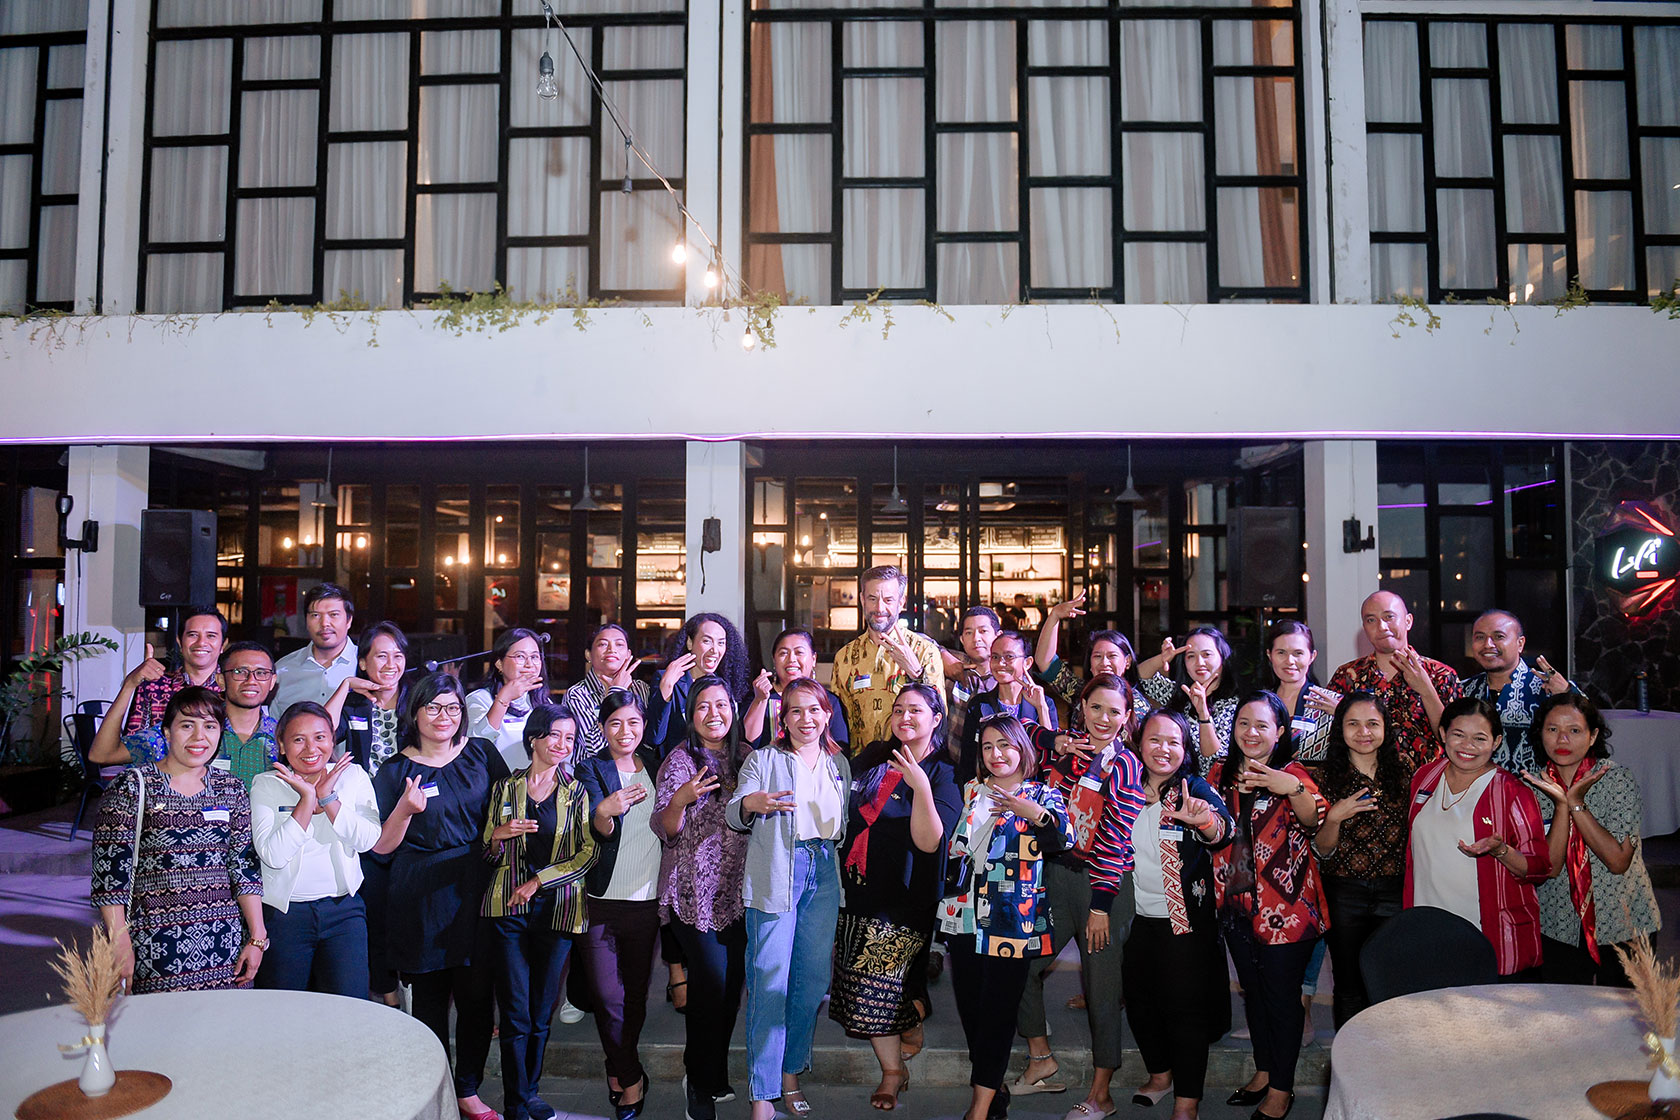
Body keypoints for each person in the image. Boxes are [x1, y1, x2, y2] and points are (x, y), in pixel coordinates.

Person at [372, 672, 510, 1120]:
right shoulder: (394, 770)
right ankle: (437, 1086)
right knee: (428, 1001)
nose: (443, 716)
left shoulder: (482, 755)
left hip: (476, 885)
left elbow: (508, 808)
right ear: (414, 713)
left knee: (475, 998)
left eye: (452, 707)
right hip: (420, 892)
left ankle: (467, 1088)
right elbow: (380, 846)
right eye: (432, 707)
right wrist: (405, 811)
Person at [1014, 673, 1143, 1115]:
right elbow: (1017, 731)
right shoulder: (1065, 747)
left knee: (1102, 989)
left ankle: (1101, 1093)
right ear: (1081, 706)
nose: (1103, 719)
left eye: (1114, 711)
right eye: (1095, 708)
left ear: (1127, 718)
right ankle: (1041, 1061)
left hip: (1101, 885)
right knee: (1022, 966)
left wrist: (1102, 907)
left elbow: (1115, 839)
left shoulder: (1125, 764)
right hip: (1054, 877)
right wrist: (1058, 739)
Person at [829, 683, 961, 1111]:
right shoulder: (872, 756)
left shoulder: (945, 770)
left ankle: (891, 1071)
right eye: (899, 709)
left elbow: (929, 843)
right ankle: (909, 1023)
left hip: (906, 897)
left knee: (879, 987)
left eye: (916, 710)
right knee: (861, 985)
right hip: (858, 885)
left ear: (936, 718)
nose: (905, 717)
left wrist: (920, 786)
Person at [727, 677, 852, 1120]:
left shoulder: (839, 763)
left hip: (823, 872)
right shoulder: (763, 758)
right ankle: (762, 1094)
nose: (806, 719)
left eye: (814, 710)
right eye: (796, 711)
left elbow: (844, 825)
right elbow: (735, 811)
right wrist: (750, 805)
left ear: (827, 715)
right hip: (778, 873)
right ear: (783, 717)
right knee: (769, 981)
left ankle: (790, 1074)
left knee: (811, 983)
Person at [938, 715, 1073, 1120]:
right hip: (962, 917)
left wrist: (1033, 814)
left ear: (1023, 750)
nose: (997, 755)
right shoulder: (971, 791)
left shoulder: (1043, 795)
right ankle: (993, 1092)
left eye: (1006, 746)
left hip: (1010, 921)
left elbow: (1065, 840)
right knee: (972, 1012)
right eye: (988, 747)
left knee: (997, 1013)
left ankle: (978, 1110)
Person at [91, 686, 265, 993]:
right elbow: (110, 876)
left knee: (226, 1034)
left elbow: (244, 867)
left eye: (210, 726)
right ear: (167, 733)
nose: (200, 737)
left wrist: (256, 937)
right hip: (155, 948)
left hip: (224, 947)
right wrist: (119, 941)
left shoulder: (231, 788)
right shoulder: (133, 786)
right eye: (187, 725)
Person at [1209, 691, 1329, 1120]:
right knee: (1253, 993)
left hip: (1287, 913)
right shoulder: (1220, 772)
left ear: (1280, 732)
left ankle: (1282, 1088)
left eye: (1262, 725)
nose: (1252, 732)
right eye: (1244, 723)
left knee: (1281, 999)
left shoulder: (1295, 774)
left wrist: (1290, 787)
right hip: (1235, 907)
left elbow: (1314, 819)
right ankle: (1264, 1070)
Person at [481, 704, 598, 1120]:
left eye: (569, 738)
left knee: (540, 1009)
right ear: (534, 738)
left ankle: (530, 1092)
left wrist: (539, 881)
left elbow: (587, 852)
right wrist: (498, 836)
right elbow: (488, 852)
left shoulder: (577, 791)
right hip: (509, 908)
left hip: (557, 908)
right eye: (554, 735)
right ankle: (515, 1103)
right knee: (515, 1011)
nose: (562, 744)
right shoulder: (505, 788)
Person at [1120, 709, 1235, 1120]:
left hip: (1182, 918)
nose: (1163, 749)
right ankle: (1160, 1075)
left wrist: (1203, 820)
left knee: (1185, 1010)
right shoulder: (1123, 785)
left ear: (1184, 748)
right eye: (1154, 739)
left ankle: (1188, 1101)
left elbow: (1225, 829)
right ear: (1139, 742)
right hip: (1133, 916)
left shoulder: (1192, 787)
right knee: (1139, 1001)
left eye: (1173, 741)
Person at [654, 676, 750, 1120]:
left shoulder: (746, 758)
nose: (714, 714)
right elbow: (665, 827)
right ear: (691, 716)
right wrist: (682, 798)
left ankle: (712, 1072)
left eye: (721, 705)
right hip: (692, 894)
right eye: (703, 707)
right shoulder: (681, 759)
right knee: (710, 987)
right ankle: (697, 1079)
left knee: (730, 991)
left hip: (739, 893)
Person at [1404, 697, 1550, 979]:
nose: (1467, 746)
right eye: (1458, 735)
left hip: (1489, 935)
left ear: (1496, 742)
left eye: (1480, 738)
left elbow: (1540, 866)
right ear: (1444, 734)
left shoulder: (1512, 792)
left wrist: (1501, 850)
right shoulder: (1424, 777)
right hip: (1429, 928)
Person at [1523, 693, 1659, 987]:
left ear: (1592, 735)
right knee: (1565, 1023)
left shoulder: (1618, 779)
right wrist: (1560, 806)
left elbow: (1618, 860)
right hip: (1559, 926)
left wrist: (1576, 804)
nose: (1562, 740)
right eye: (1552, 729)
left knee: (1628, 1022)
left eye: (1574, 730)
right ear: (1540, 733)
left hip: (1625, 923)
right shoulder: (1531, 788)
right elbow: (1551, 867)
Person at [249, 701, 380, 998]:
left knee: (350, 1008)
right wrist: (307, 801)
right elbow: (273, 855)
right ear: (281, 745)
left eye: (320, 737)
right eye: (298, 739)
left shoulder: (353, 776)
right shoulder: (266, 784)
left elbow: (368, 840)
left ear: (332, 740)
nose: (311, 748)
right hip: (285, 916)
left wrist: (328, 798)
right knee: (286, 1012)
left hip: (344, 913)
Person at [575, 689, 662, 1120]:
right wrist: (604, 812)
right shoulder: (591, 767)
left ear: (643, 724)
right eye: (614, 724)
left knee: (636, 996)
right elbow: (595, 826)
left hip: (646, 902)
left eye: (632, 722)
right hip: (599, 901)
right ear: (603, 728)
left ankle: (617, 1064)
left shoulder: (660, 763)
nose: (624, 732)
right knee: (608, 998)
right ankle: (632, 1080)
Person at [1310, 692, 1413, 1027]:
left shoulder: (1405, 773)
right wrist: (1334, 818)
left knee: (1390, 980)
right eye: (1352, 723)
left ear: (1386, 728)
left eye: (1372, 723)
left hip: (1394, 890)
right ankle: (1349, 1067)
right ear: (1340, 729)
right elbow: (1323, 850)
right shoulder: (1325, 777)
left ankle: (1387, 1061)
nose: (1363, 731)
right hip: (1343, 892)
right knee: (1349, 983)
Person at [94, 642, 281, 792]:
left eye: (261, 673)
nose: (251, 681)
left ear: (272, 681)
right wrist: (129, 685)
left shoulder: (283, 737)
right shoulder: (190, 728)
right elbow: (103, 754)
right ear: (221, 680)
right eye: (240, 672)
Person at [1327, 591, 1462, 768]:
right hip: (1364, 786)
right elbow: (1330, 740)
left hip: (1427, 786)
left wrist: (1426, 691)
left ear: (1408, 621)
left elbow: (1456, 740)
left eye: (1389, 617)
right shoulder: (1348, 675)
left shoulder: (1441, 675)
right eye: (1371, 620)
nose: (1381, 627)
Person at [831, 565, 947, 748]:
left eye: (888, 600)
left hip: (910, 766)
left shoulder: (925, 651)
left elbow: (940, 715)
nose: (880, 608)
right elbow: (836, 721)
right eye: (872, 598)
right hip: (861, 767)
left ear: (901, 602)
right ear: (862, 600)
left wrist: (916, 673)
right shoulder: (844, 657)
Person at [1463, 609, 1575, 774]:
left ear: (1520, 643)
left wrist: (1567, 694)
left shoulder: (1547, 688)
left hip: (1534, 794)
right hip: (1475, 794)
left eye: (1498, 637)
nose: (1488, 644)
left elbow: (1590, 733)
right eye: (1479, 637)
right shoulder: (1463, 690)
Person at [953, 630, 1056, 784]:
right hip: (989, 790)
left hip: (1032, 790)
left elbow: (1051, 755)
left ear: (1027, 663)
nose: (1001, 663)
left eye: (1009, 657)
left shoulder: (1044, 704)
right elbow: (968, 759)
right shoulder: (979, 705)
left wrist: (1041, 709)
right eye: (995, 657)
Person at [1033, 598, 1148, 729]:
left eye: (1112, 656)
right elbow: (1044, 661)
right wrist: (1054, 616)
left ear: (1127, 662)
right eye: (1097, 656)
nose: (1104, 663)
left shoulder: (1137, 704)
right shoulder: (1080, 691)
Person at [1136, 628, 1242, 769]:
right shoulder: (1180, 693)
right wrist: (1162, 659)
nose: (1199, 662)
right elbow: (1141, 677)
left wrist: (1203, 713)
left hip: (1209, 786)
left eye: (1206, 655)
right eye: (1191, 656)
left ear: (1223, 657)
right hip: (1174, 782)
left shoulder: (1235, 705)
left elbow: (1214, 760)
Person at [648, 612, 751, 754]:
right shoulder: (667, 679)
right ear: (690, 643)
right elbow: (655, 738)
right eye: (707, 641)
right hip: (679, 769)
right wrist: (666, 689)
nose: (715, 650)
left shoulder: (724, 685)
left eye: (721, 643)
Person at [119, 607, 228, 733]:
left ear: (223, 645)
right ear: (179, 642)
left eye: (211, 636)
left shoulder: (233, 689)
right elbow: (133, 744)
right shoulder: (154, 686)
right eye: (193, 635)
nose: (201, 642)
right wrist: (130, 683)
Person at [742, 627, 851, 752]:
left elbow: (840, 748)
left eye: (799, 652)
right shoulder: (759, 697)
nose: (791, 659)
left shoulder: (828, 700)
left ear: (813, 659)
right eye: (783, 653)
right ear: (774, 659)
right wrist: (760, 700)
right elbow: (748, 743)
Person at [467, 627, 551, 769]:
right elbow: (476, 746)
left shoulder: (542, 702)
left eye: (535, 657)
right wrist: (504, 699)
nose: (529, 664)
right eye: (520, 656)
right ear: (499, 663)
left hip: (531, 786)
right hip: (494, 786)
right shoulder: (479, 699)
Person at [563, 623, 648, 758]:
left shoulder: (641, 689)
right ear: (588, 654)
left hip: (636, 773)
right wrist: (616, 691)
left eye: (619, 644)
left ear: (628, 654)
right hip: (593, 776)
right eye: (602, 644)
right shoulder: (577, 694)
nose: (611, 649)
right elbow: (595, 747)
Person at [272, 583, 360, 712]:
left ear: (349, 620)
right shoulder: (282, 670)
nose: (324, 623)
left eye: (333, 614)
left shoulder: (368, 665)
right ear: (306, 621)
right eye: (315, 615)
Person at [1262, 621, 1340, 764]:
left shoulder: (1333, 703)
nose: (1290, 661)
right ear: (1269, 655)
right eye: (1281, 653)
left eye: (1298, 653)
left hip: (1315, 784)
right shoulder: (1260, 704)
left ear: (1312, 656)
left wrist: (1344, 713)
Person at [941, 605, 1000, 749]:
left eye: (983, 631)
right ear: (961, 639)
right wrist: (942, 654)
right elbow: (918, 640)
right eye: (969, 633)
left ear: (998, 636)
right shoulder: (954, 663)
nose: (976, 638)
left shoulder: (1007, 674)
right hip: (953, 760)